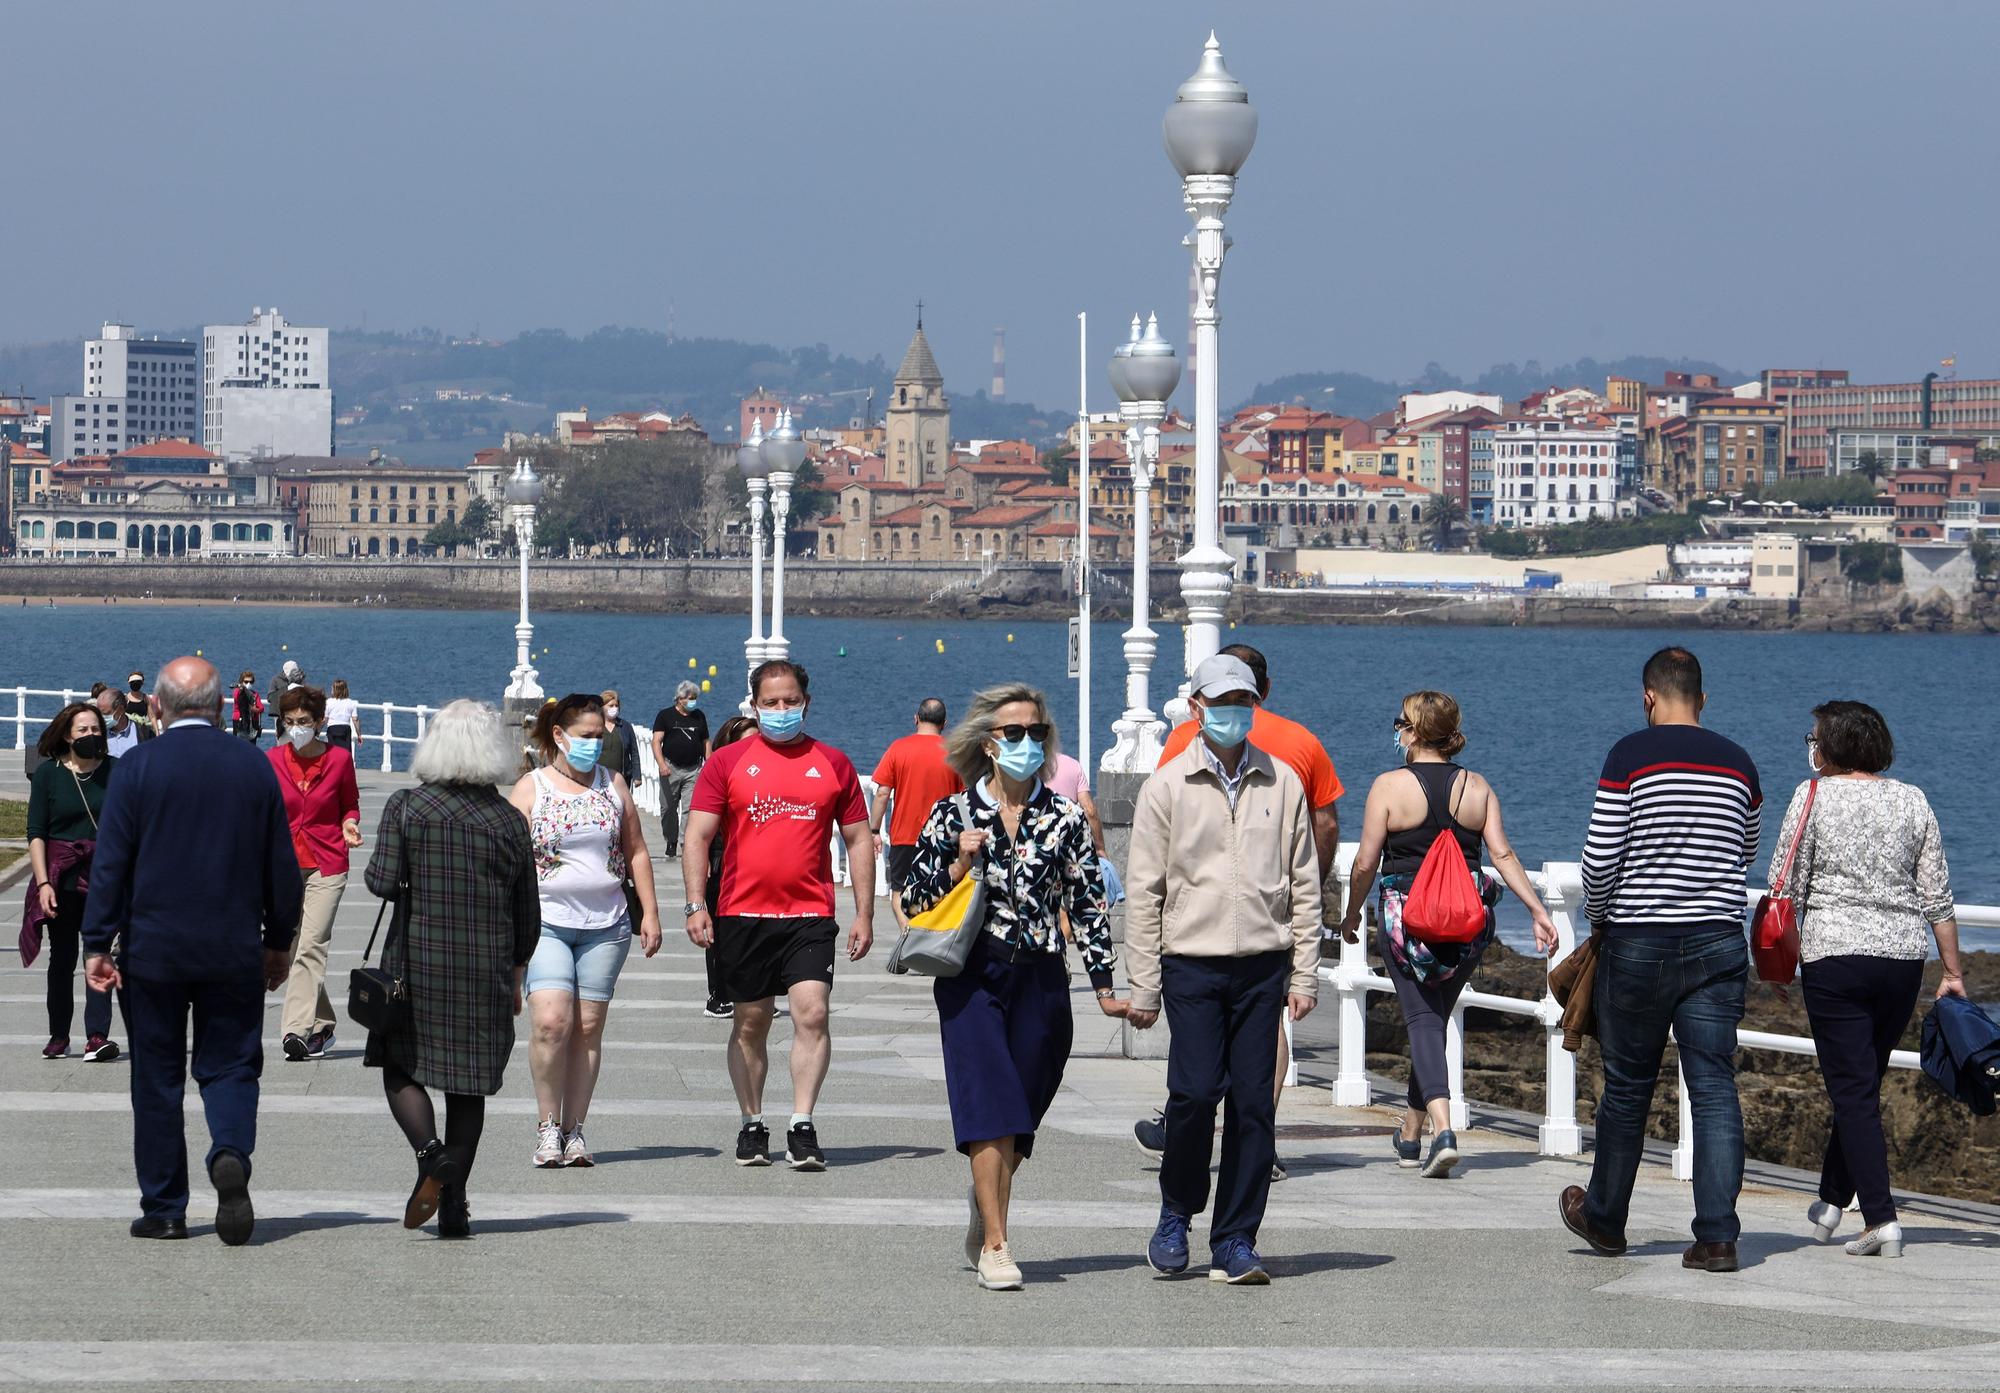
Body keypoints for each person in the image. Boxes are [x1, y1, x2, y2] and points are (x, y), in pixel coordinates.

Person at [902, 684, 1130, 1290]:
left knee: (1023, 1112)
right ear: (987, 741)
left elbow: (1086, 905)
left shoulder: (1064, 817)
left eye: (1036, 733)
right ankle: (998, 1245)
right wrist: (957, 861)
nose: (1027, 743)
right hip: (972, 975)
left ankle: (984, 1204)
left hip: (1043, 977)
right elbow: (914, 899)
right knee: (991, 1106)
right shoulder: (953, 815)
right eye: (1014, 733)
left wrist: (1106, 984)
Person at [81, 656, 304, 1244]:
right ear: (222, 706)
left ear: (155, 706)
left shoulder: (135, 768)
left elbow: (110, 866)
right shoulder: (253, 768)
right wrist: (278, 943)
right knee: (230, 1064)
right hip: (231, 947)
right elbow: (281, 868)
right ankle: (229, 1151)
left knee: (155, 1078)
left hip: (153, 950)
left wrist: (96, 943)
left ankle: (165, 1208)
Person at [1561, 647, 1761, 1276]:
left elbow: (1600, 858)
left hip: (1640, 940)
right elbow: (1746, 848)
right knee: (1713, 1086)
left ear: (1649, 696)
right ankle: (1718, 1238)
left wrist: (1600, 916)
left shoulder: (1629, 756)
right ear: (1702, 698)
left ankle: (1606, 1218)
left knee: (1627, 1087)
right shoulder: (1740, 763)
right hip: (1719, 940)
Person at [1125, 653, 1321, 1285]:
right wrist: (1144, 983)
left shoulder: (1282, 781)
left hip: (1264, 965)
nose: (1235, 712)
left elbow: (1305, 884)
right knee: (1193, 1094)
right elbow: (1145, 889)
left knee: (1255, 1107)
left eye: (1244, 701)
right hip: (1191, 964)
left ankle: (1237, 1237)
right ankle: (1176, 1213)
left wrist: (1305, 973)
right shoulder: (1167, 787)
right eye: (1222, 702)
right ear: (1198, 708)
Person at [1336, 690, 1560, 1177]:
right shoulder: (1477, 787)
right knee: (1432, 1020)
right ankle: (1411, 1132)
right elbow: (1502, 856)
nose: (1397, 731)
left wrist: (1352, 913)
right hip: (1466, 924)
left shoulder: (1388, 787)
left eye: (1400, 723)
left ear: (1414, 731)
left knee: (1421, 1021)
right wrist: (1538, 910)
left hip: (1406, 922)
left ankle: (1444, 1130)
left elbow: (1365, 862)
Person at [1777, 700, 1965, 1259]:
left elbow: (1785, 885)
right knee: (1861, 1082)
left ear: (1831, 747)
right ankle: (1833, 1200)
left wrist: (1780, 964)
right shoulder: (1913, 800)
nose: (1810, 746)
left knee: (1853, 1088)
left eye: (1814, 737)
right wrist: (1953, 970)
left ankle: (1881, 1218)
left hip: (1834, 956)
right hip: (1902, 961)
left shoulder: (1811, 797)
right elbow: (1937, 896)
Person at [682, 659, 874, 1171]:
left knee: (812, 1012)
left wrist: (865, 913)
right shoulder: (727, 763)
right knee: (751, 1021)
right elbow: (697, 837)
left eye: (791, 701)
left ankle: (802, 1124)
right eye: (771, 703)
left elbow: (858, 839)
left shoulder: (832, 764)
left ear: (806, 703)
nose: (782, 710)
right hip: (741, 912)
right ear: (755, 705)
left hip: (809, 912)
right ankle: (751, 1123)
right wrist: (696, 904)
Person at [366, 700, 540, 1238]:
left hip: (415, 965)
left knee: (400, 1069)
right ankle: (455, 1207)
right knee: (467, 1090)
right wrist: (515, 974)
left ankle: (430, 1153)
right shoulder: (508, 819)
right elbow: (527, 916)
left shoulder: (406, 808)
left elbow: (379, 881)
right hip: (483, 968)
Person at [507, 693, 661, 1168]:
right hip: (547, 922)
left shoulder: (613, 784)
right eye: (587, 736)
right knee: (552, 1023)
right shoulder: (531, 789)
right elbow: (509, 863)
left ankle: (575, 1130)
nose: (596, 744)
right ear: (559, 736)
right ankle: (547, 1126)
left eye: (601, 736)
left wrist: (650, 913)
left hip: (606, 925)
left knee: (589, 1029)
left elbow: (636, 850)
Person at [268, 686, 363, 1063]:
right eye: (290, 722)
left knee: (311, 945)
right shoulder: (272, 760)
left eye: (304, 722)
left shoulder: (340, 760)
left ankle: (295, 1030)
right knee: (291, 950)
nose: (296, 728)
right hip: (284, 866)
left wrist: (350, 824)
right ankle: (322, 1024)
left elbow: (349, 804)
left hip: (328, 862)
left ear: (320, 722)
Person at [25, 702, 120, 1061]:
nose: (91, 735)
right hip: (60, 880)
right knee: (61, 959)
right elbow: (36, 833)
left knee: (99, 955)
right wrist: (43, 884)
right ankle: (59, 1034)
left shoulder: (116, 771)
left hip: (104, 878)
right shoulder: (49, 773)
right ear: (68, 735)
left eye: (96, 729)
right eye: (83, 730)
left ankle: (97, 1035)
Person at [869, 697, 961, 930]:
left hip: (905, 834)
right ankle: (930, 942)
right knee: (941, 891)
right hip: (943, 838)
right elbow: (964, 799)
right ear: (945, 723)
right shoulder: (954, 753)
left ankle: (907, 935)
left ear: (916, 718)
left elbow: (882, 793)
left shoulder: (898, 748)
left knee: (899, 890)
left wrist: (874, 830)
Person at [694, 716, 759, 1020]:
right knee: (719, 932)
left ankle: (754, 993)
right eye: (746, 741)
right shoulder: (718, 772)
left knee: (753, 931)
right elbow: (699, 830)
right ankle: (718, 995)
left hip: (753, 865)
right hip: (721, 861)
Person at [651, 680, 710, 858]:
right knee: (668, 808)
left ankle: (686, 843)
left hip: (693, 769)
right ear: (680, 698)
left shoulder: (699, 716)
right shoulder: (665, 716)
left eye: (695, 698)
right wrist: (662, 764)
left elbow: (706, 741)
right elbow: (656, 741)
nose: (693, 701)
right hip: (670, 767)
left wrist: (710, 762)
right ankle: (671, 840)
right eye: (690, 698)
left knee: (689, 808)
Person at [598, 688, 642, 791]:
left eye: (616, 705)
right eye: (611, 705)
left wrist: (637, 776)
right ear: (602, 707)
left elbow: (634, 752)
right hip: (599, 778)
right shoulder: (596, 726)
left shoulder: (625, 727)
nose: (614, 708)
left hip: (622, 778)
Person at [96, 689, 150, 758]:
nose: (101, 717)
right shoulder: (96, 734)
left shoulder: (144, 733)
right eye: (98, 713)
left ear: (121, 709)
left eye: (106, 714)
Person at [324, 678, 362, 756]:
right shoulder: (350, 703)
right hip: (345, 729)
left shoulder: (328, 702)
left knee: (331, 752)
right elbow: (355, 719)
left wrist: (317, 731)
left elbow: (325, 719)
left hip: (332, 729)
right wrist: (359, 734)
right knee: (345, 753)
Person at [229, 671, 265, 744]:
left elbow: (261, 708)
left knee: (251, 745)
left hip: (252, 722)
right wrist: (242, 689)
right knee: (238, 744)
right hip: (239, 720)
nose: (248, 684)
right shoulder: (238, 691)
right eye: (246, 681)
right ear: (242, 681)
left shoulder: (255, 694)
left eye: (251, 682)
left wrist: (255, 710)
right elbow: (236, 697)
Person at [123, 670, 155, 738]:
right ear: (129, 683)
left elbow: (152, 717)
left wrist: (157, 732)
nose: (135, 684)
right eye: (133, 682)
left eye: (138, 682)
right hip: (129, 733)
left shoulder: (146, 698)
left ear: (142, 683)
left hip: (144, 732)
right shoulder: (125, 699)